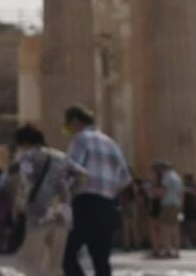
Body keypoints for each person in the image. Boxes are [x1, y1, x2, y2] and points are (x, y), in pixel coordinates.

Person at [61, 105, 131, 276]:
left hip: (86, 203)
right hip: (107, 205)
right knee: (101, 260)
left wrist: (64, 190)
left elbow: (72, 168)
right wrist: (109, 190)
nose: (68, 131)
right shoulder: (110, 142)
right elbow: (125, 178)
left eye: (68, 126)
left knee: (66, 255)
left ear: (76, 121)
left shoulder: (80, 139)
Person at [12, 124, 87, 276]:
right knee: (54, 265)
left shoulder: (27, 157)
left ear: (23, 143)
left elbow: (26, 183)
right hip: (62, 213)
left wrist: (19, 205)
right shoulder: (60, 156)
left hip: (38, 212)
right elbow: (82, 174)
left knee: (30, 261)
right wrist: (69, 191)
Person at [154, 161, 183, 259]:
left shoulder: (166, 177)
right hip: (176, 204)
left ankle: (167, 250)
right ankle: (177, 250)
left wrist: (155, 193)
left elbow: (163, 190)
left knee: (165, 228)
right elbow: (180, 192)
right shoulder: (177, 177)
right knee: (175, 228)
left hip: (167, 204)